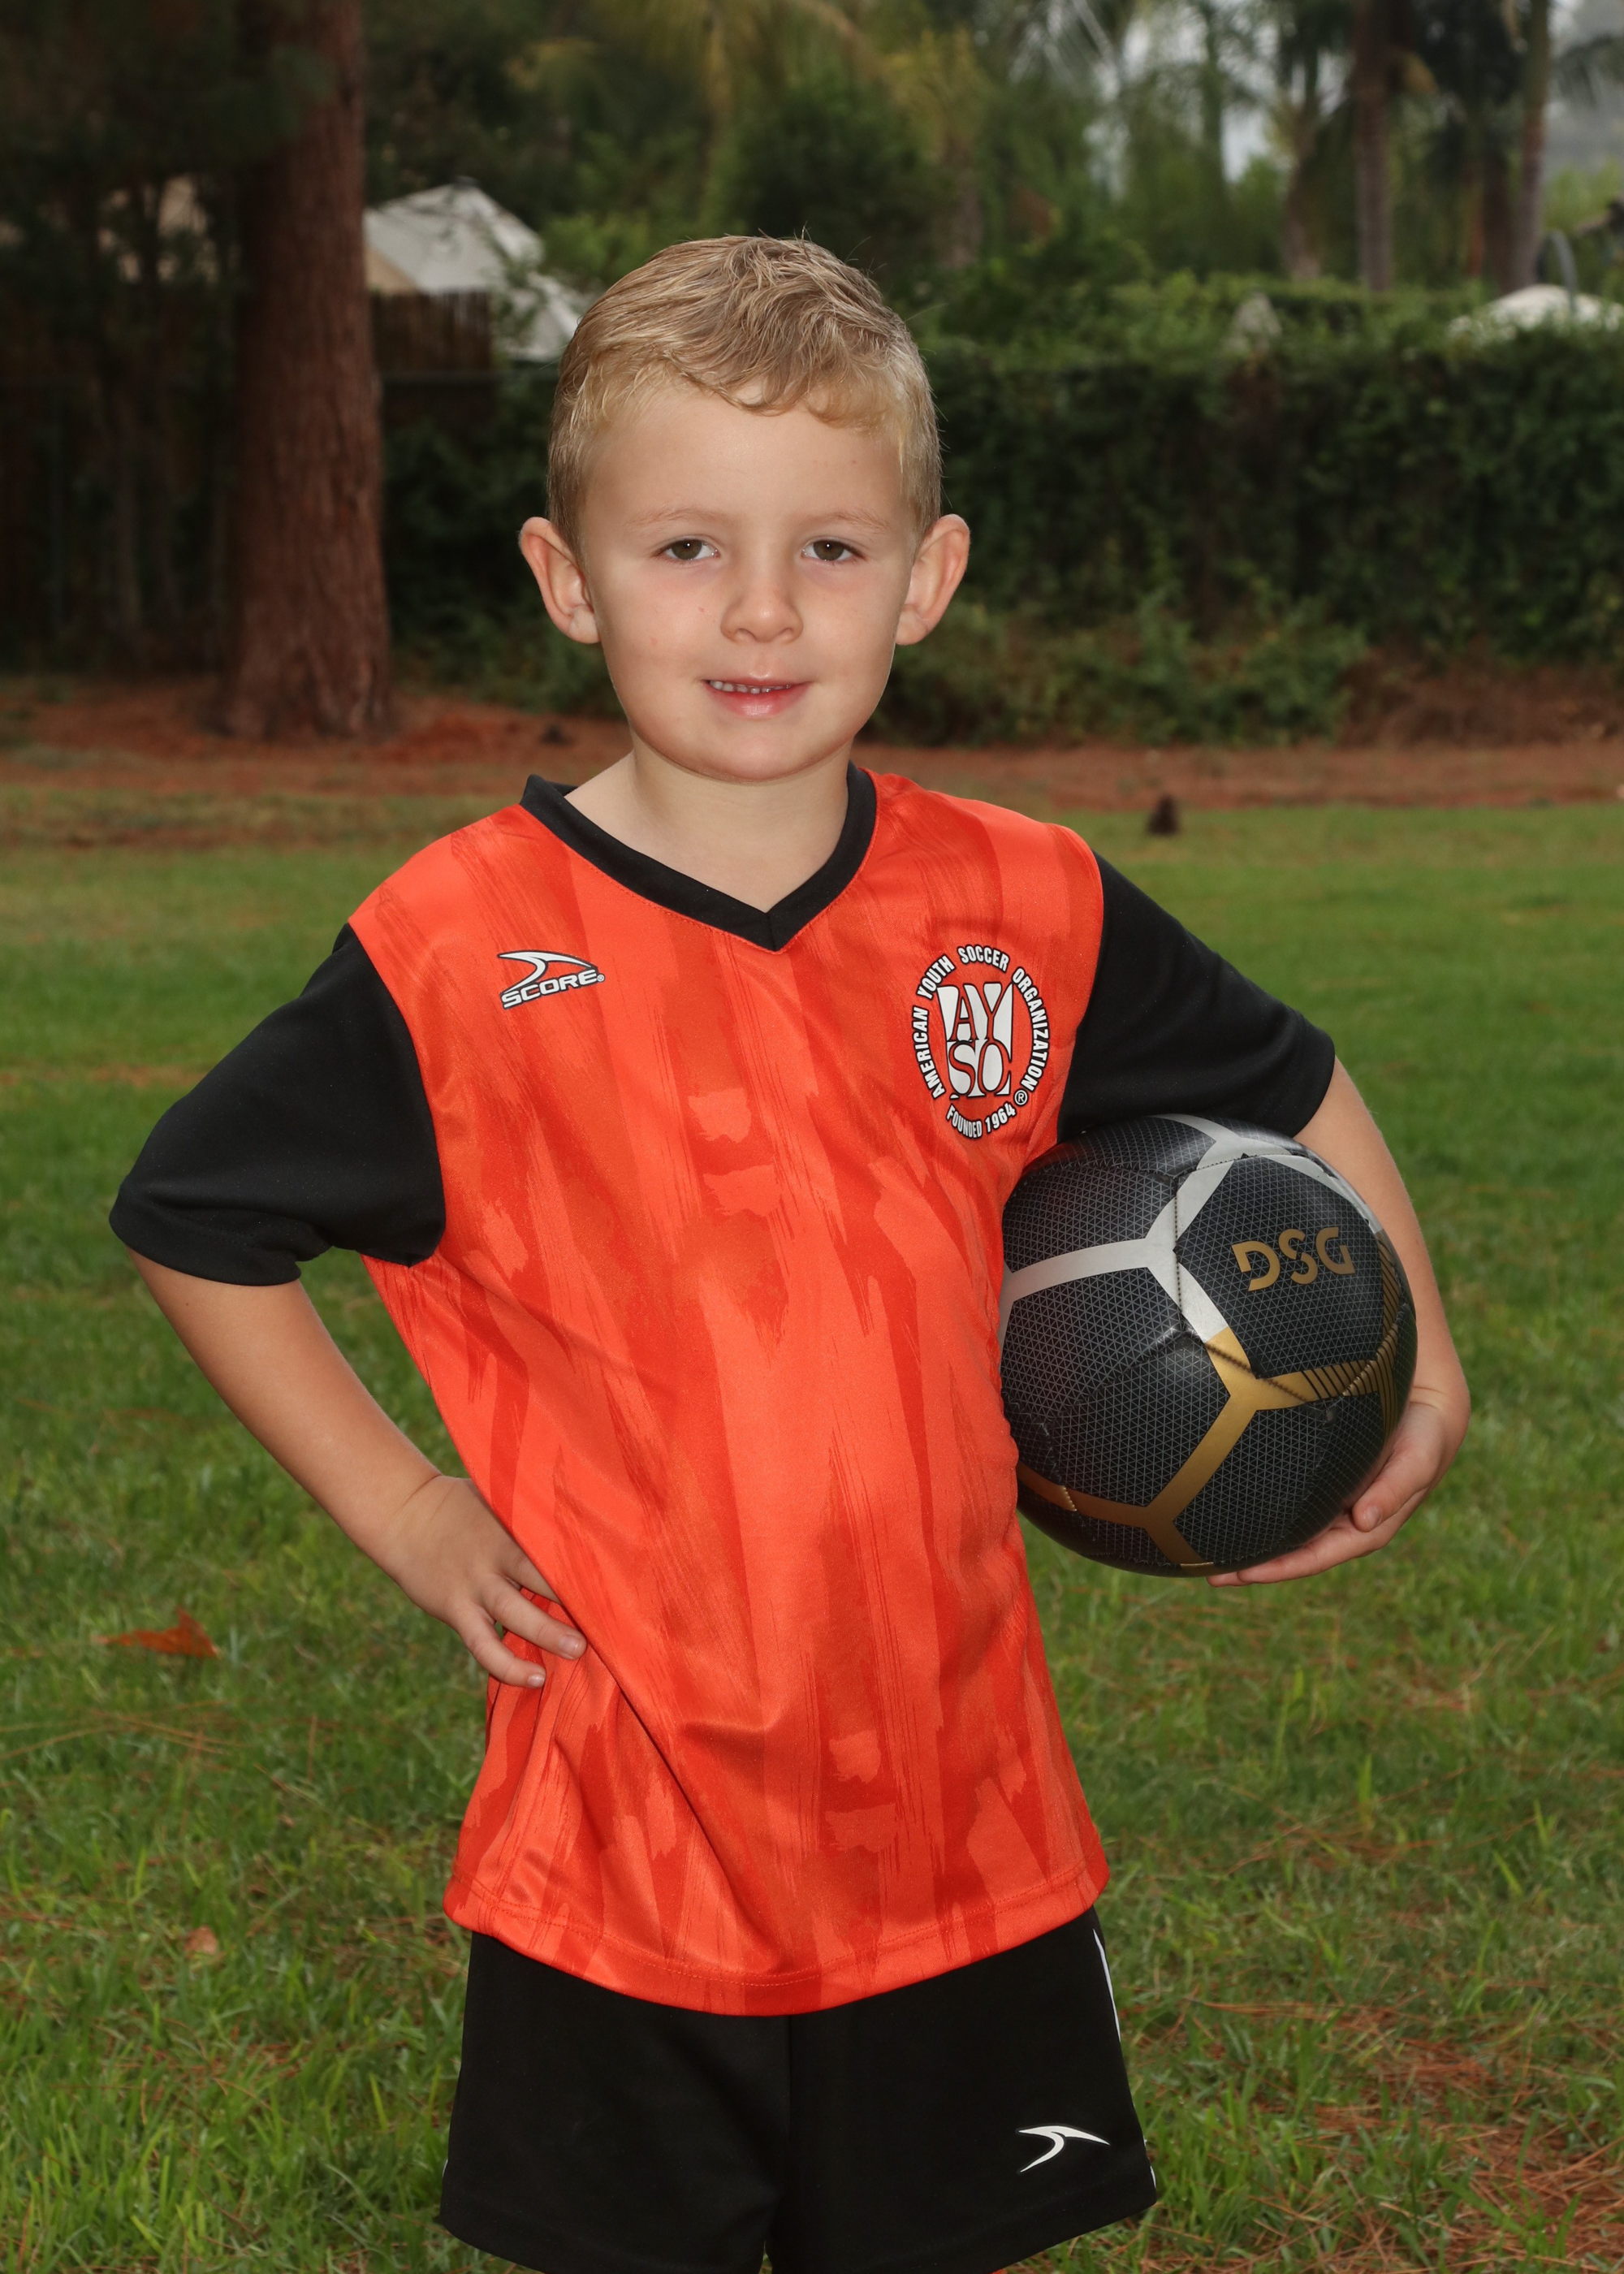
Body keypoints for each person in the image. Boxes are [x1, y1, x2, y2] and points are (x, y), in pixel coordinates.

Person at [111, 236, 1470, 2274]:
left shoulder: (1022, 904)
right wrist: (405, 1506)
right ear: (568, 577)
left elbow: (1288, 1078)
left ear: (926, 575)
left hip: (958, 1834)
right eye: (685, 547)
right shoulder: (456, 952)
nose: (760, 609)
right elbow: (193, 1216)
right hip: (622, 1855)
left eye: (829, 549)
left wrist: (1417, 1357)